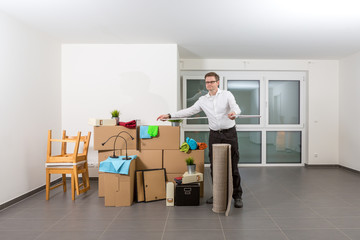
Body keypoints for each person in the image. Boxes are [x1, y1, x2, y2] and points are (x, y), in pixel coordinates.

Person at [157, 72, 243, 208]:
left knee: (233, 166)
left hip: (230, 134)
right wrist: (169, 115)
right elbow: (189, 111)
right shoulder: (203, 100)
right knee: (215, 167)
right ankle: (218, 193)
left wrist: (234, 114)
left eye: (212, 82)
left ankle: (237, 196)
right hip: (214, 135)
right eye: (207, 82)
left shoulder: (227, 95)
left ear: (218, 82)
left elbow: (235, 107)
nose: (209, 84)